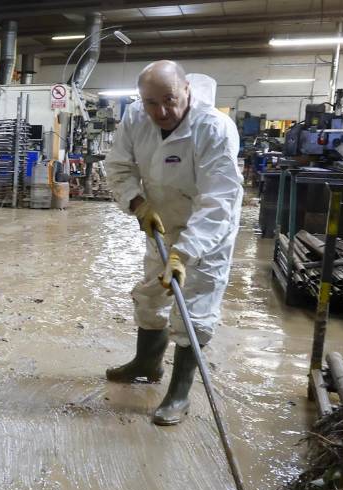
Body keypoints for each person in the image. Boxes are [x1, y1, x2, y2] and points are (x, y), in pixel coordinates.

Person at [103, 60, 243, 425]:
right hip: (160, 222)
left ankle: (180, 392)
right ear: (140, 99)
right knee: (152, 292)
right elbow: (118, 166)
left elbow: (218, 201)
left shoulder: (215, 129)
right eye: (151, 102)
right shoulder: (136, 118)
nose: (161, 111)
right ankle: (147, 364)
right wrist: (138, 204)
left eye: (170, 100)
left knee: (193, 306)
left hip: (206, 230)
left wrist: (185, 252)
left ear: (187, 91)